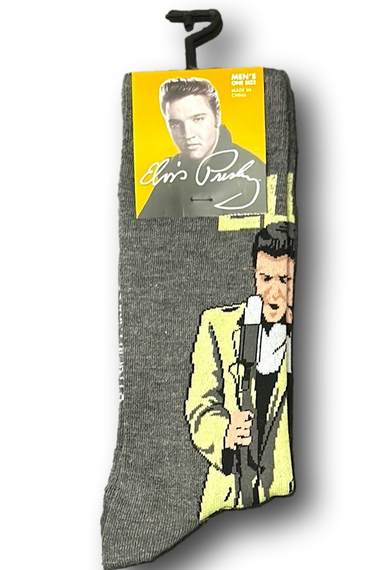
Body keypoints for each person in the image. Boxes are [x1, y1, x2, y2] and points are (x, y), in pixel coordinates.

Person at [185, 222, 296, 521]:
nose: (274, 292)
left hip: (286, 506)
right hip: (227, 501)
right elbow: (199, 408)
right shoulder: (216, 326)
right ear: (254, 275)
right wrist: (225, 431)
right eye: (265, 278)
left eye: (285, 279)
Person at [138, 77, 266, 218]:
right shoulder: (172, 170)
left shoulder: (254, 172)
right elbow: (141, 227)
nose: (188, 134)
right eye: (175, 124)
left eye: (198, 119)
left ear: (217, 117)